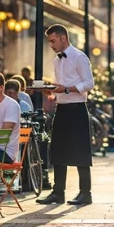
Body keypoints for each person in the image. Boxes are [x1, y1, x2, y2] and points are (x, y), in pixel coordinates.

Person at [37, 24, 95, 206]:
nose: (51, 45)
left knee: (81, 151)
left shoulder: (79, 57)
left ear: (63, 38)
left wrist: (67, 89)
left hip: (77, 109)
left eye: (53, 41)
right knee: (57, 150)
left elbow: (89, 83)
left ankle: (85, 193)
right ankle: (58, 193)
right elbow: (60, 87)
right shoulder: (57, 61)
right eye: (49, 42)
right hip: (61, 109)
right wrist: (51, 91)